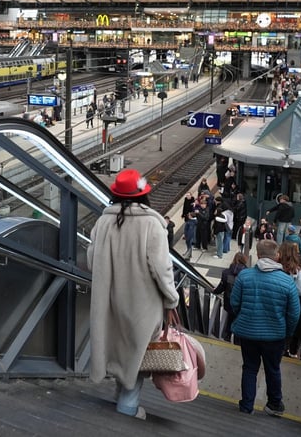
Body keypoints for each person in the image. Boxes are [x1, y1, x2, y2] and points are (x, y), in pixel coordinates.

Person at [88, 169, 180, 419]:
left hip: (110, 300)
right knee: (139, 352)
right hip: (143, 303)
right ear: (143, 196)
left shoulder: (103, 222)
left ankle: (119, 396)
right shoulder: (151, 224)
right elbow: (162, 269)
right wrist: (172, 298)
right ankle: (127, 406)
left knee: (119, 348)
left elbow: (90, 259)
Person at [228, 239, 300, 416]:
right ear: (277, 256)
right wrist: (287, 333)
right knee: (273, 369)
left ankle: (246, 405)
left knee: (250, 368)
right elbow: (294, 313)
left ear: (258, 255)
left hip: (248, 332)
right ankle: (274, 405)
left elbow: (234, 303)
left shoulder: (244, 276)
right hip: (275, 335)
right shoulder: (287, 281)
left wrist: (243, 317)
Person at [212, 252, 249, 343]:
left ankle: (227, 336)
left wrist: (214, 291)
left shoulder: (226, 273)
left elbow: (221, 288)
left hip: (229, 303)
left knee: (230, 319)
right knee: (238, 322)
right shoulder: (248, 274)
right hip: (242, 304)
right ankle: (237, 341)